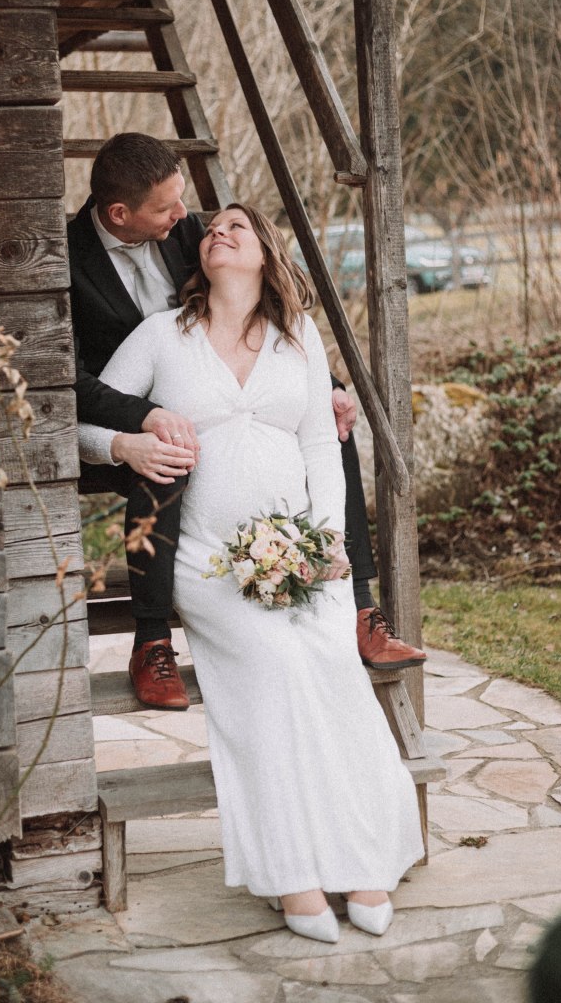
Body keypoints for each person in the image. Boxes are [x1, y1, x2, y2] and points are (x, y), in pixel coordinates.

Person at [78, 203, 424, 938]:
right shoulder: (161, 337)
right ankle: (291, 873)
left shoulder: (299, 338)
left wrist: (328, 542)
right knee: (270, 670)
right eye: (210, 230)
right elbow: (81, 419)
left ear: (265, 252)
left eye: (236, 226)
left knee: (331, 668)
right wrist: (125, 447)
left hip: (302, 551)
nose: (217, 233)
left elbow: (321, 446)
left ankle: (364, 856)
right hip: (208, 561)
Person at [68, 133, 425, 711]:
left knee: (331, 430)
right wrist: (136, 429)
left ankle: (361, 605)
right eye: (168, 207)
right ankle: (152, 640)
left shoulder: (190, 230)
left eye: (186, 204)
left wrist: (327, 387)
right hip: (128, 413)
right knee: (167, 457)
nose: (188, 217)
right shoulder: (64, 261)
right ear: (119, 214)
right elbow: (70, 381)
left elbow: (257, 306)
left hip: (206, 392)